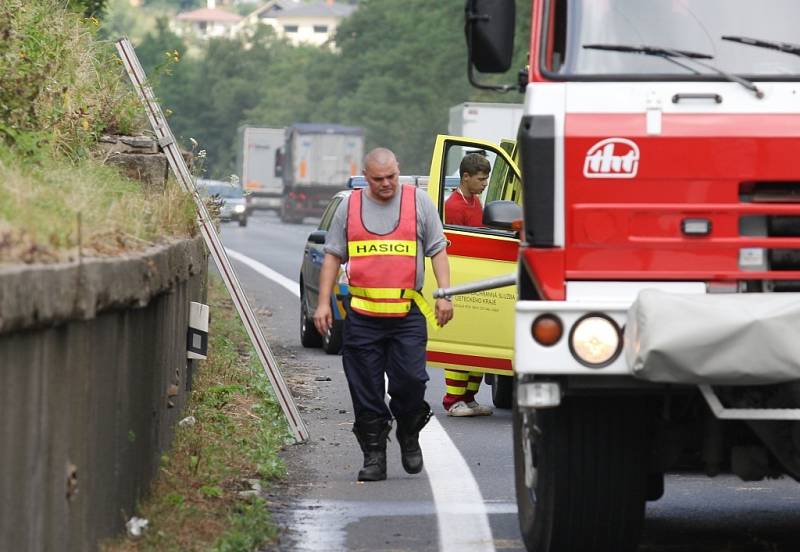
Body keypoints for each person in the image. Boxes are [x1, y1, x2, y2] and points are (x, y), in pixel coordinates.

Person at [313, 147, 454, 482]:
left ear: (398, 169)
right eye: (378, 179)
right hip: (362, 317)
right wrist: (322, 304)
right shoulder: (350, 206)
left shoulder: (418, 202)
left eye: (391, 176)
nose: (387, 183)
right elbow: (333, 256)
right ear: (366, 176)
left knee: (412, 381)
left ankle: (408, 430)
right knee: (365, 390)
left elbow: (438, 250)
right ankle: (374, 456)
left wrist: (445, 295)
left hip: (407, 316)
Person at [441, 152, 494, 417]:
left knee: (479, 338)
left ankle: (469, 398)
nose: (485, 184)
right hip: (463, 279)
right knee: (461, 342)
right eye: (481, 179)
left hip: (479, 278)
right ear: (466, 177)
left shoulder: (475, 202)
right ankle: (453, 400)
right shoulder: (454, 206)